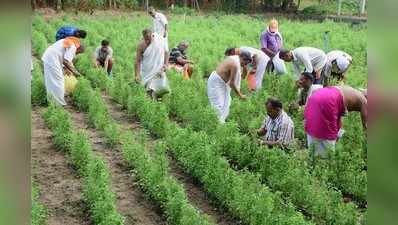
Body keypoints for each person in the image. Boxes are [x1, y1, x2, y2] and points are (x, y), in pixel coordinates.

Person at [304, 85, 367, 158]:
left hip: (316, 95)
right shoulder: (364, 101)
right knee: (328, 138)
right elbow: (366, 127)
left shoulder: (350, 91)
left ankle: (313, 159)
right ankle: (326, 161)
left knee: (313, 124)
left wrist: (338, 134)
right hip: (330, 100)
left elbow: (339, 117)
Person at [207, 51, 252, 123]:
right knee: (218, 105)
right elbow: (232, 83)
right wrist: (240, 95)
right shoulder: (234, 64)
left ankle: (221, 122)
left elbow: (242, 77)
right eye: (245, 63)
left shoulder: (236, 61)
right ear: (243, 58)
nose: (245, 65)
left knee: (226, 103)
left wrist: (244, 67)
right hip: (216, 82)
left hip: (222, 84)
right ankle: (217, 126)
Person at [41, 36, 84, 106]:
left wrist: (68, 69)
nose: (76, 54)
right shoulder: (73, 47)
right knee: (58, 81)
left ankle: (52, 100)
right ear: (78, 49)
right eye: (78, 53)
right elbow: (66, 61)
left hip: (49, 57)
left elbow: (66, 61)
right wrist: (75, 72)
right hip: (52, 59)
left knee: (51, 81)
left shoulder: (70, 42)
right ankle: (58, 103)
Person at [135, 29, 169, 99]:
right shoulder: (141, 45)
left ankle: (156, 102)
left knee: (160, 89)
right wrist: (137, 75)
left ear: (152, 35)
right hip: (146, 70)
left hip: (159, 69)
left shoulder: (160, 40)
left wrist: (165, 65)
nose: (147, 41)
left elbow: (166, 52)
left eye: (149, 39)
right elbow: (137, 61)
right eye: (145, 39)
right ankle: (151, 104)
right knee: (149, 90)